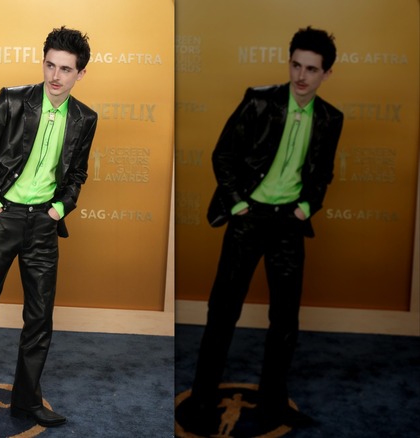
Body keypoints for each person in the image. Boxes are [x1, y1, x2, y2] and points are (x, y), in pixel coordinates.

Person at [180, 26, 343, 434]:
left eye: (311, 69)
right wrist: (237, 204)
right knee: (223, 312)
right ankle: (201, 400)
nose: (301, 76)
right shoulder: (258, 101)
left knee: (285, 319)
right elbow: (223, 153)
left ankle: (274, 403)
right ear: (289, 63)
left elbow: (322, 173)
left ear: (326, 74)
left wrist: (307, 207)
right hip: (248, 217)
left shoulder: (329, 118)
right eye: (296, 65)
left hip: (289, 222)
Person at [0, 26, 98, 431]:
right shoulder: (12, 100)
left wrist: (62, 206)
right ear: (43, 63)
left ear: (80, 74)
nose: (55, 76)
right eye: (50, 65)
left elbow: (77, 172)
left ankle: (27, 402)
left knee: (40, 318)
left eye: (66, 69)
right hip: (2, 217)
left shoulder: (85, 118)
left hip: (44, 223)